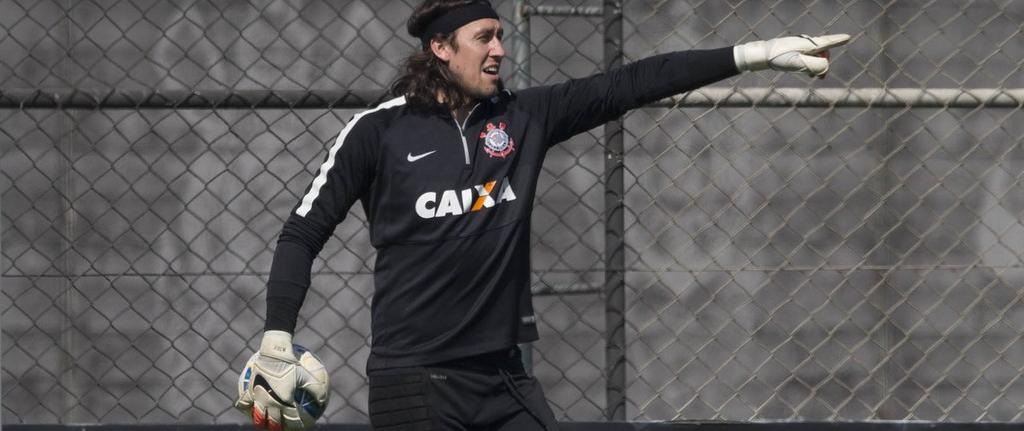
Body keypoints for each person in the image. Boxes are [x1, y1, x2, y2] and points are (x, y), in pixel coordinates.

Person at [234, 1, 849, 430]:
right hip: (415, 384)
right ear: (441, 48)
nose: (500, 49)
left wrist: (754, 54)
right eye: (484, 38)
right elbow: (302, 232)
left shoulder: (523, 117)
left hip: (504, 377)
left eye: (501, 35)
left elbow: (632, 83)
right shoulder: (379, 131)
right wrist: (276, 338)